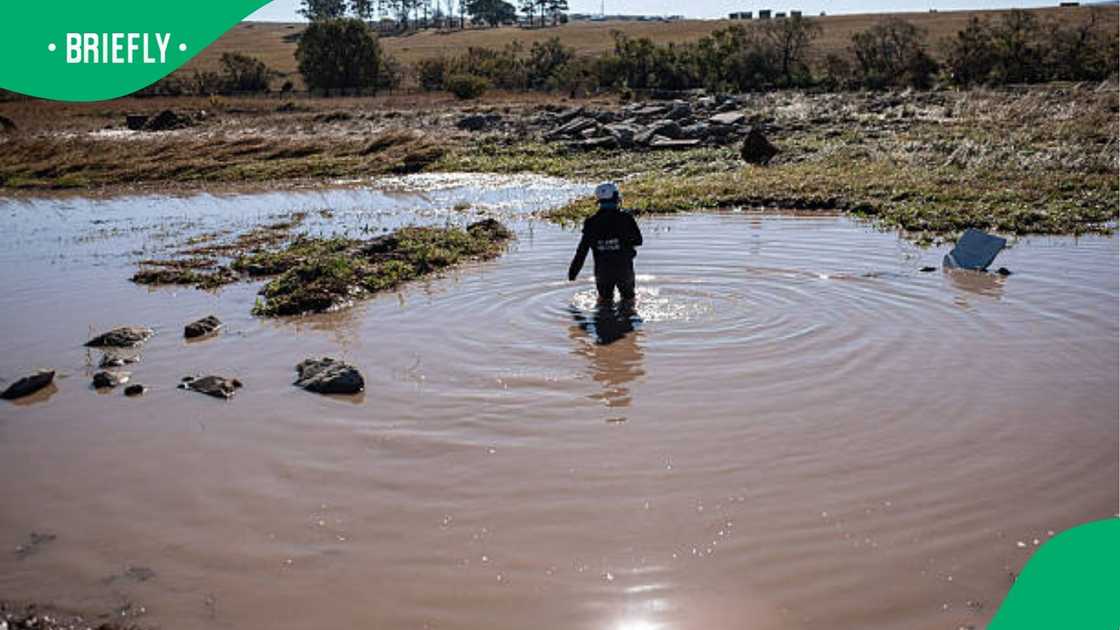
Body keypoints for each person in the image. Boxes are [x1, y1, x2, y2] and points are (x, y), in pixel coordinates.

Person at [568, 182, 643, 304]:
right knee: (629, 301)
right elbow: (638, 241)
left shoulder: (591, 222)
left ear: (599, 200)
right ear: (616, 198)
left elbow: (582, 250)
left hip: (603, 271)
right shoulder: (626, 218)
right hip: (624, 269)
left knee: (604, 302)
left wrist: (573, 272)